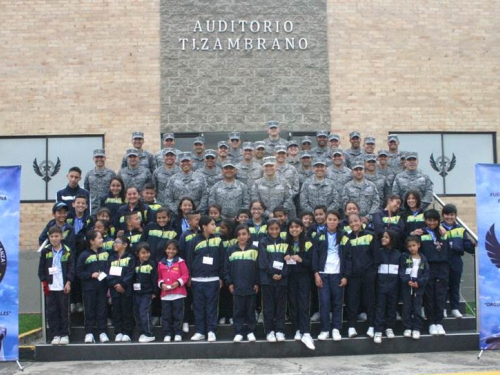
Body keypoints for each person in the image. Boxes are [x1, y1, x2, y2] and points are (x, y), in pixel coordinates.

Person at [185, 215, 225, 342]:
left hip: (213, 279)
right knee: (198, 307)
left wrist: (221, 277)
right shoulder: (194, 241)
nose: (215, 227)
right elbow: (189, 259)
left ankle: (211, 331)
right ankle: (200, 331)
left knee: (212, 306)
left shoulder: (218, 241)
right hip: (197, 280)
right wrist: (190, 276)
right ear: (204, 226)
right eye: (212, 224)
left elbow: (222, 260)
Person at [342, 213, 379, 339]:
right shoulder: (346, 237)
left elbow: (375, 256)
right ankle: (351, 326)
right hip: (352, 276)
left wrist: (373, 272)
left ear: (361, 221)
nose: (354, 224)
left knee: (370, 301)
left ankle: (371, 326)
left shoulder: (370, 235)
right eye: (351, 222)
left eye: (356, 221)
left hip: (368, 275)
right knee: (352, 301)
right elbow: (345, 256)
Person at [313, 210, 348, 342]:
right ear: (326, 220)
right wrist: (316, 273)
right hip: (323, 273)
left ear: (338, 221)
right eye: (330, 219)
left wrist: (345, 276)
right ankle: (325, 329)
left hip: (338, 273)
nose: (332, 222)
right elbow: (315, 255)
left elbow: (348, 257)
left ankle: (336, 329)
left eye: (334, 220)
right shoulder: (319, 235)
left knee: (337, 302)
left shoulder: (344, 236)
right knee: (324, 302)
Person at [38, 226, 74, 345]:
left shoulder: (67, 251)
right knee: (52, 312)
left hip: (63, 286)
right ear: (49, 237)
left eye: (56, 236)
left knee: (64, 311)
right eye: (52, 236)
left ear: (61, 237)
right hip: (50, 287)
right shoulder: (46, 250)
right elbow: (41, 269)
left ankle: (65, 334)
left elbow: (71, 268)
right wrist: (45, 283)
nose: (54, 239)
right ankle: (55, 334)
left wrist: (68, 282)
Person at [224, 225, 259, 343]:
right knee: (238, 310)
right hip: (237, 285)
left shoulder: (255, 249)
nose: (241, 237)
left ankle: (250, 331)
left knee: (250, 309)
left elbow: (259, 267)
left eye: (244, 234)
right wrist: (229, 283)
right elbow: (226, 268)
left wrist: (256, 282)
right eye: (239, 235)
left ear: (249, 235)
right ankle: (238, 332)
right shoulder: (230, 250)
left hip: (250, 285)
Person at [440, 204, 475, 318]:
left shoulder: (460, 229)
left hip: (456, 259)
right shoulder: (438, 227)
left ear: (455, 216)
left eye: (452, 215)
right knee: (443, 285)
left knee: (455, 285)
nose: (449, 217)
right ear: (442, 215)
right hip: (443, 260)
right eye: (446, 215)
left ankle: (455, 308)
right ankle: (443, 308)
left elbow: (466, 244)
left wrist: (473, 246)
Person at [284, 219, 315, 350]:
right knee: (293, 304)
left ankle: (306, 332)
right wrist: (285, 258)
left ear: (302, 229)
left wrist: (301, 259)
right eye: (291, 227)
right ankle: (297, 329)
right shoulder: (286, 243)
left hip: (304, 277)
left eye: (297, 227)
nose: (294, 229)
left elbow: (312, 262)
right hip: (290, 277)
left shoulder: (308, 243)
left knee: (303, 304)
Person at [258, 219, 290, 342]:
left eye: (276, 229)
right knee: (268, 307)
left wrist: (282, 274)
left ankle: (280, 331)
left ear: (280, 229)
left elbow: (288, 261)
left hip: (282, 280)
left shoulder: (285, 242)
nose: (274, 231)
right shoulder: (263, 242)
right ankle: (269, 331)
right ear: (267, 230)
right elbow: (263, 262)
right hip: (268, 280)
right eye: (271, 229)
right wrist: (272, 274)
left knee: (281, 307)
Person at [76, 230, 110, 343]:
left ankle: (102, 332)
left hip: (102, 287)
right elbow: (79, 272)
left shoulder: (105, 253)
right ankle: (89, 333)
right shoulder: (84, 255)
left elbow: (109, 268)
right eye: (99, 238)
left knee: (102, 310)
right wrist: (91, 275)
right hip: (89, 288)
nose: (101, 240)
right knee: (89, 310)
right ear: (91, 241)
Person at [420, 209, 449, 336]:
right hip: (428, 268)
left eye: (434, 220)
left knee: (440, 296)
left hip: (442, 268)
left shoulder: (443, 233)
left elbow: (448, 250)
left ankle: (439, 323)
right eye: (429, 220)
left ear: (438, 221)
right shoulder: (421, 233)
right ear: (425, 221)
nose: (432, 223)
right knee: (429, 296)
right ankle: (431, 323)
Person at [158, 240, 190, 342]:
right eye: (169, 249)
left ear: (176, 251)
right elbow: (159, 277)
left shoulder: (181, 261)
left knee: (178, 315)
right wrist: (162, 284)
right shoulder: (161, 263)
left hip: (178, 294)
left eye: (173, 249)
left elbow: (185, 275)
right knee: (166, 315)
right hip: (165, 294)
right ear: (165, 250)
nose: (170, 251)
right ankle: (167, 333)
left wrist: (178, 283)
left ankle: (178, 333)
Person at [399, 235, 430, 340]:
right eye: (409, 246)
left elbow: (426, 273)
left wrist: (419, 283)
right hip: (407, 286)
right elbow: (402, 271)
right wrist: (407, 281)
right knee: (407, 307)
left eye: (414, 245)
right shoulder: (404, 257)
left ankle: (417, 328)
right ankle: (407, 327)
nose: (412, 248)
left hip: (418, 287)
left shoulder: (423, 259)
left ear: (419, 245)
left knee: (417, 308)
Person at [373, 230, 401, 344]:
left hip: (394, 286)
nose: (383, 239)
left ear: (392, 240)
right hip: (381, 285)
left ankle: (389, 328)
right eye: (383, 237)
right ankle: (378, 330)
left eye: (386, 237)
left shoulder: (399, 255)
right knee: (380, 307)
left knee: (391, 306)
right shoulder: (379, 252)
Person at [107, 234, 136, 342]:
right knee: (116, 311)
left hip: (126, 289)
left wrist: (122, 285)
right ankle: (118, 331)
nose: (115, 244)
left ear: (124, 245)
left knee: (126, 311)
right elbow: (108, 273)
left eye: (117, 242)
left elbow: (130, 273)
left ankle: (127, 332)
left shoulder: (130, 257)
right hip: (115, 290)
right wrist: (115, 284)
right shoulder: (111, 258)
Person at [133, 242, 158, 343]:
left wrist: (155, 292)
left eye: (147, 252)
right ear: (137, 254)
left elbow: (154, 278)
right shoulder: (134, 264)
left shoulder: (151, 264)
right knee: (137, 313)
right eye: (143, 253)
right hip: (136, 293)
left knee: (144, 313)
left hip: (147, 293)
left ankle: (149, 333)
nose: (146, 255)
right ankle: (142, 333)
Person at [84, 149, 116, 213]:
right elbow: (86, 190)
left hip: (108, 206)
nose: (99, 159)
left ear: (105, 158)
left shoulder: (111, 173)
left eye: (101, 157)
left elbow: (115, 189)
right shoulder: (89, 174)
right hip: (93, 207)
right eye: (97, 157)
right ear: (93, 159)